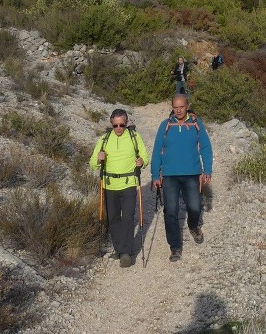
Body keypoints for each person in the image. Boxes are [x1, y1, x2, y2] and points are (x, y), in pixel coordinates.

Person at [151, 94, 214, 262]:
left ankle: (193, 226)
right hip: (170, 176)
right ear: (172, 107)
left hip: (192, 174)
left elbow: (206, 147)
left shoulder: (195, 124)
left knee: (194, 207)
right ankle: (175, 247)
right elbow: (157, 150)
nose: (178, 110)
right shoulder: (165, 126)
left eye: (181, 106)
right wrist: (155, 174)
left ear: (187, 106)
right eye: (175, 107)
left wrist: (207, 169)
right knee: (170, 211)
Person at [89, 108, 149, 268]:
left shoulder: (135, 137)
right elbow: (92, 163)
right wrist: (98, 158)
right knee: (113, 218)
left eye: (122, 125)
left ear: (127, 123)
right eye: (115, 125)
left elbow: (145, 156)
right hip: (109, 185)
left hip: (129, 183)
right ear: (111, 123)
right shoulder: (104, 140)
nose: (119, 129)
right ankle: (118, 248)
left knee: (128, 217)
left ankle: (126, 253)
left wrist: (141, 162)